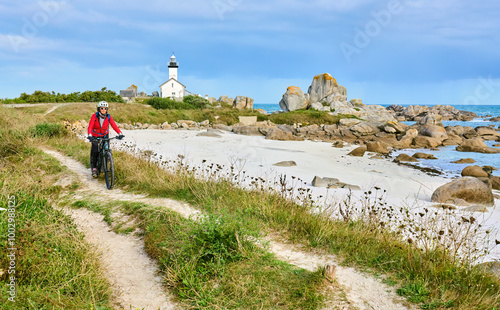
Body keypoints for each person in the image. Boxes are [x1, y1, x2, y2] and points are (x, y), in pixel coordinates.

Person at [87, 101, 124, 177]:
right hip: (95, 135)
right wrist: (90, 135)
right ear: (99, 109)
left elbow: (114, 125)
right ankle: (94, 168)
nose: (103, 110)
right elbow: (90, 126)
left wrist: (120, 133)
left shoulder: (108, 116)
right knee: (95, 150)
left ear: (107, 109)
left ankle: (105, 165)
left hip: (104, 135)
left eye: (105, 108)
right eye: (102, 108)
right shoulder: (95, 116)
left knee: (106, 149)